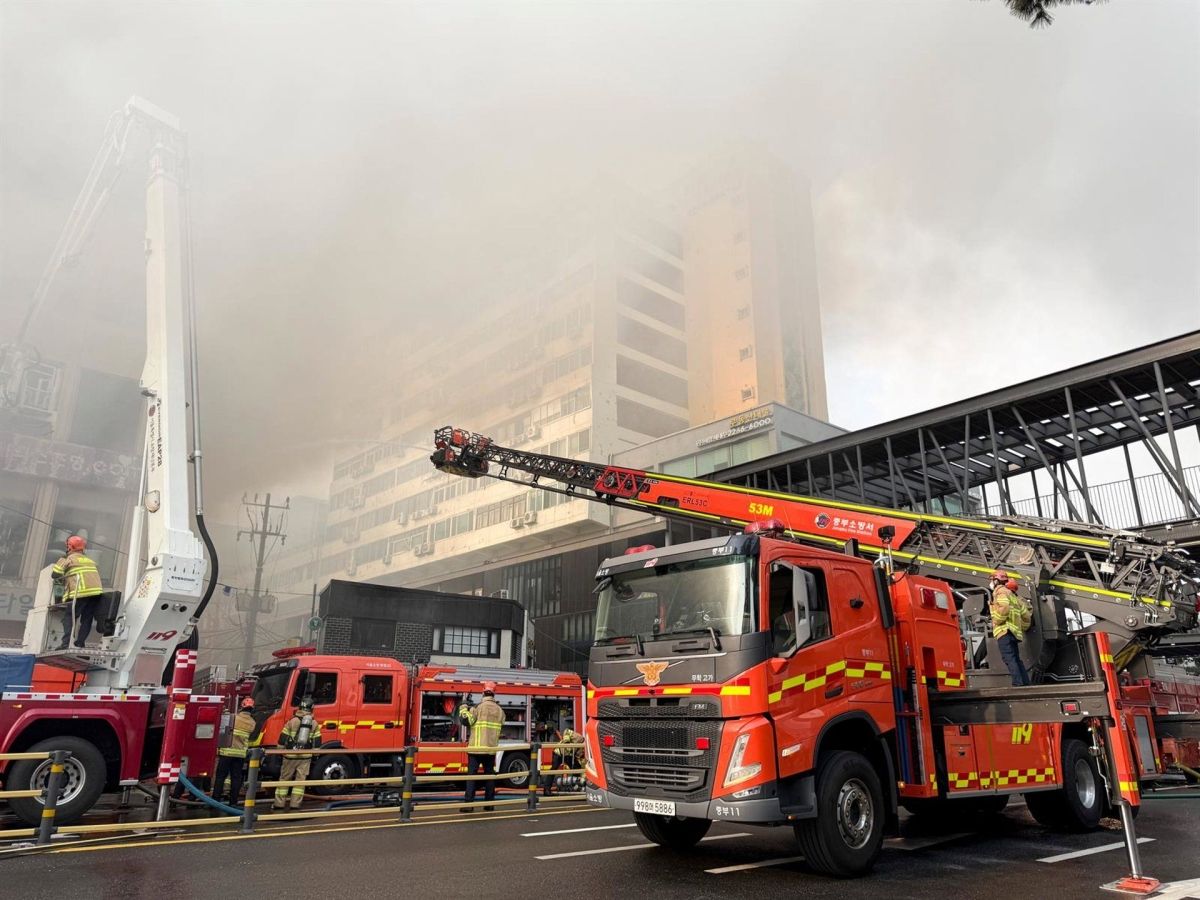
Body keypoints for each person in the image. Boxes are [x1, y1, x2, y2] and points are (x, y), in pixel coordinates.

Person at [51, 535, 104, 650]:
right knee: (87, 619)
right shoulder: (90, 560)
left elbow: (55, 574)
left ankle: (66, 643)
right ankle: (80, 643)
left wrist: (63, 558)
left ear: (69, 547)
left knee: (69, 617)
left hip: (80, 592)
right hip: (96, 593)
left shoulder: (69, 559)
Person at [459, 682, 505, 812]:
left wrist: (464, 707)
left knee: (472, 777)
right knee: (489, 777)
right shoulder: (500, 710)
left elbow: (466, 720)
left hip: (476, 749)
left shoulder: (478, 708)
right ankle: (489, 804)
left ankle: (469, 805)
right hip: (490, 749)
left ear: (483, 692)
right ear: (494, 693)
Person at [273, 698, 322, 810]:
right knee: (300, 782)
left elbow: (283, 738)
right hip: (305, 757)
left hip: (290, 756)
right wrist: (315, 754)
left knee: (284, 779)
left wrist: (280, 751)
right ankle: (295, 804)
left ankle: (279, 803)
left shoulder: (292, 721)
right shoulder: (314, 723)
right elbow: (317, 740)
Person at [215, 697, 262, 805]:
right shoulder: (252, 723)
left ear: (242, 707)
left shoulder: (233, 718)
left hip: (227, 752)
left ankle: (215, 800)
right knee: (236, 778)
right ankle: (233, 802)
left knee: (220, 777)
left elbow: (222, 729)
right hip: (240, 754)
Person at [990, 570, 1032, 687]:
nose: (991, 582)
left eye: (992, 580)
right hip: (1014, 632)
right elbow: (1026, 615)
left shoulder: (1000, 591)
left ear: (997, 580)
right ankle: (1025, 682)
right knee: (1016, 658)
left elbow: (1004, 607)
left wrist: (996, 620)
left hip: (1004, 630)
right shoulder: (1014, 596)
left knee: (1009, 658)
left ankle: (1017, 683)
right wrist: (1022, 627)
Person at [544, 725, 585, 796]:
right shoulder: (579, 737)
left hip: (568, 755)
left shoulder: (582, 746)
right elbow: (567, 731)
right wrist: (566, 741)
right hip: (559, 752)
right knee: (553, 769)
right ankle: (546, 790)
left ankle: (576, 787)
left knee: (577, 768)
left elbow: (578, 756)